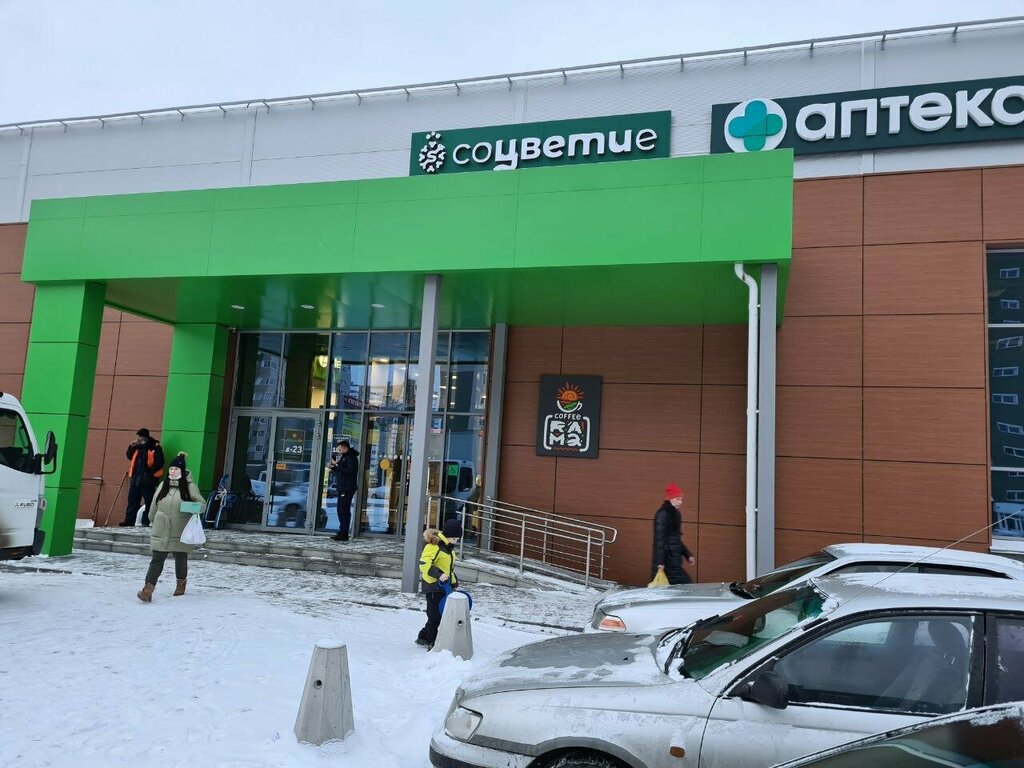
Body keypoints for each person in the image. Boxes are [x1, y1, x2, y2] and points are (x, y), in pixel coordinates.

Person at [137, 452, 205, 602]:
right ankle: (148, 590)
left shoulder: (190, 487)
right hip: (162, 527)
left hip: (180, 528)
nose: (172, 471)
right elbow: (154, 504)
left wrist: (190, 507)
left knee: (180, 556)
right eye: (171, 469)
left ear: (182, 471)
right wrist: (152, 519)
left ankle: (181, 583)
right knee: (157, 558)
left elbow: (202, 505)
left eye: (176, 469)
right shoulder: (164, 485)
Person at [415, 518, 462, 649]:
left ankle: (423, 637)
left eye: (457, 539)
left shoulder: (450, 550)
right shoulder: (434, 546)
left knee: (439, 614)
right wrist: (438, 574)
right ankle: (432, 642)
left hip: (444, 587)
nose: (455, 541)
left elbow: (449, 570)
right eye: (454, 539)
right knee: (434, 616)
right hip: (432, 586)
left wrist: (454, 583)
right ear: (447, 536)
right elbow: (424, 564)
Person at [119, 427, 165, 526]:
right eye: (137, 436)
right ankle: (129, 521)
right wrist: (131, 447)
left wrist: (150, 471)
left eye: (139, 436)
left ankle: (146, 522)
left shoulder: (155, 447)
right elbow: (129, 456)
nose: (138, 438)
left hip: (148, 481)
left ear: (145, 437)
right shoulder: (137, 447)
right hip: (135, 479)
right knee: (132, 501)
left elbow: (160, 462)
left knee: (149, 502)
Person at [652, 482, 695, 585]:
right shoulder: (662, 514)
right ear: (670, 499)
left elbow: (676, 539)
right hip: (667, 562)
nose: (680, 502)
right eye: (677, 499)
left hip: (674, 561)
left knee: (671, 590)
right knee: (687, 586)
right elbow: (659, 541)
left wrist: (687, 555)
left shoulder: (676, 514)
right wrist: (660, 562)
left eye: (681, 499)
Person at [329, 440, 359, 541]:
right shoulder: (344, 457)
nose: (339, 450)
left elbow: (350, 471)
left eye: (340, 448)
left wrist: (338, 465)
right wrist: (334, 468)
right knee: (340, 510)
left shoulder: (351, 458)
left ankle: (344, 533)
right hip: (343, 487)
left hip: (347, 488)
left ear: (345, 447)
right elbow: (342, 471)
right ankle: (342, 531)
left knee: (344, 510)